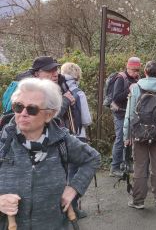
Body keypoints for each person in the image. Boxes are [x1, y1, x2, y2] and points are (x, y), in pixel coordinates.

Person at [0, 78, 100, 229]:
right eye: (18, 106)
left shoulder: (62, 141)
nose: (23, 113)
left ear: (49, 114)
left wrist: (74, 188)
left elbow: (92, 158)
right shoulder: (3, 142)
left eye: (32, 109)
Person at [123, 60, 156, 209]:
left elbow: (129, 115)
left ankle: (138, 201)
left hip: (139, 133)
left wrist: (126, 136)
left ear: (145, 72)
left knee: (139, 166)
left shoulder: (136, 88)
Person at [60, 62, 93, 218]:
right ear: (77, 75)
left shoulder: (56, 89)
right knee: (75, 171)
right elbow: (86, 119)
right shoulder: (78, 92)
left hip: (58, 136)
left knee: (62, 171)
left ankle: (59, 205)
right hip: (76, 135)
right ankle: (71, 206)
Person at [110, 57, 141, 177]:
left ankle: (126, 164)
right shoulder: (120, 78)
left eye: (138, 70)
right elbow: (116, 97)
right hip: (120, 113)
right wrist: (129, 89)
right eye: (133, 70)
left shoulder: (137, 78)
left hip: (132, 113)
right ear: (127, 67)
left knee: (129, 139)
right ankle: (114, 167)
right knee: (120, 139)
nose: (136, 72)